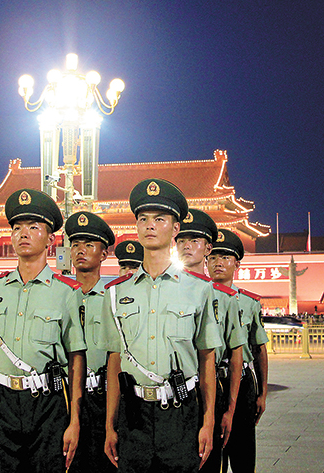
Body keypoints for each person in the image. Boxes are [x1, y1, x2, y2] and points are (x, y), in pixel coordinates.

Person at [101, 179, 223, 473]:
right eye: (143, 219)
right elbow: (114, 360)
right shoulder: (116, 293)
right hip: (134, 413)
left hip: (181, 413)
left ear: (175, 228)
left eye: (159, 219)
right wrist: (110, 425)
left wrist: (208, 422)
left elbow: (207, 358)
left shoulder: (199, 290)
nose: (150, 226)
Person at [0, 188, 86, 473]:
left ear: (50, 239)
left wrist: (74, 420)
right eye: (17, 228)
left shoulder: (67, 292)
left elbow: (76, 359)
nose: (23, 233)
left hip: (48, 405)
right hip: (3, 404)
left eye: (33, 227)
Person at [177, 209, 245, 473]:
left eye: (194, 241)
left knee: (209, 463)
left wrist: (230, 409)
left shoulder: (224, 298)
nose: (186, 246)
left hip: (210, 389)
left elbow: (236, 353)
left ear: (207, 248)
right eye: (182, 240)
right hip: (174, 393)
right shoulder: (163, 292)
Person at [207, 228, 269, 473]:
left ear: (237, 264)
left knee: (242, 452)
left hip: (241, 383)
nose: (218, 263)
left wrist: (262, 393)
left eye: (225, 258)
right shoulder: (197, 298)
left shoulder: (249, 302)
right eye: (213, 257)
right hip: (209, 381)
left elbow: (259, 348)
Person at [64, 211, 117, 473]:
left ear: (104, 254)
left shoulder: (114, 299)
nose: (80, 251)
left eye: (88, 245)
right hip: (64, 398)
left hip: (102, 397)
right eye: (75, 245)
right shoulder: (60, 296)